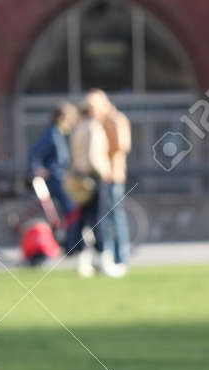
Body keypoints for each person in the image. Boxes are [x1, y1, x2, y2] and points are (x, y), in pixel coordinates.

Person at [67, 91, 113, 277]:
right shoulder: (93, 128)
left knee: (83, 220)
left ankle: (83, 262)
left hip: (79, 178)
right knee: (99, 220)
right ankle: (103, 260)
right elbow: (94, 156)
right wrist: (104, 172)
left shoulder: (78, 128)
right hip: (93, 178)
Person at [27, 101, 77, 223]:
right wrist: (37, 169)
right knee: (71, 208)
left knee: (68, 208)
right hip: (53, 179)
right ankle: (71, 237)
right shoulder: (52, 135)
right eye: (70, 121)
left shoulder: (58, 135)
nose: (71, 124)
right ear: (62, 119)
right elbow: (35, 153)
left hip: (59, 177)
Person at [99, 92, 132, 277]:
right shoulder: (104, 121)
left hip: (114, 175)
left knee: (116, 216)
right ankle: (111, 255)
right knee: (108, 218)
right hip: (106, 175)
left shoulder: (116, 120)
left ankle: (121, 256)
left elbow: (122, 145)